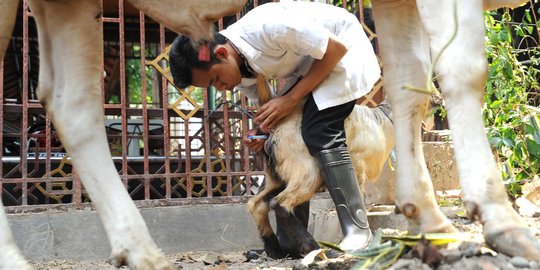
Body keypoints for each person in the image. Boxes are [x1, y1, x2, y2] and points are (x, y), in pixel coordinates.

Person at [169, 1, 380, 251]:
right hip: (311, 67)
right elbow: (274, 112)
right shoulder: (238, 70)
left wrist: (290, 99)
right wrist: (263, 132)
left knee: (318, 130)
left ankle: (357, 230)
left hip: (344, 53)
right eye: (212, 86)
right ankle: (291, 239)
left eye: (216, 79)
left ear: (222, 53)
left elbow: (336, 49)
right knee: (290, 137)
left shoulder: (269, 27)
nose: (221, 88)